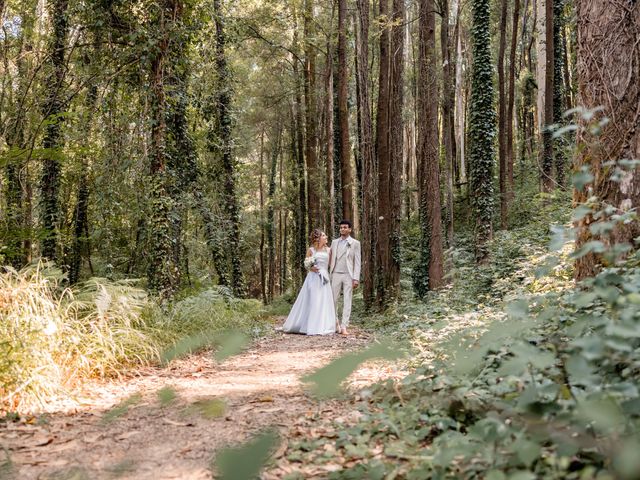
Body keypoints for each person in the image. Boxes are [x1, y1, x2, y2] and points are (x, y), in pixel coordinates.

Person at [282, 229, 336, 335]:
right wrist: (311, 268)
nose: (326, 237)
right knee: (313, 300)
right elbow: (306, 263)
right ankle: (310, 325)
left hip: (324, 277)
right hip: (313, 278)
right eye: (324, 235)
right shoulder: (311, 250)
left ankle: (323, 325)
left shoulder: (329, 250)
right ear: (318, 238)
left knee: (323, 300)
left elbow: (331, 265)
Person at [329, 220, 361, 335]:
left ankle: (344, 326)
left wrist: (356, 278)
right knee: (333, 300)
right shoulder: (334, 242)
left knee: (348, 300)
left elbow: (357, 262)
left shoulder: (355, 243)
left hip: (348, 275)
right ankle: (335, 323)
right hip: (335, 274)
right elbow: (330, 258)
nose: (342, 229)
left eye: (345, 227)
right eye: (341, 227)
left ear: (350, 229)